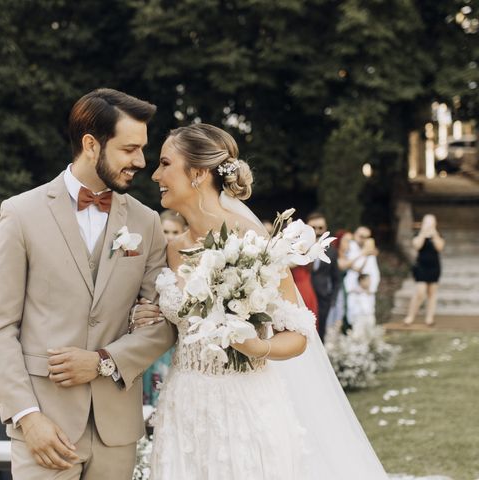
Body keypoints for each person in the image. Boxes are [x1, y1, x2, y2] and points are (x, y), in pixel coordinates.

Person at [138, 124, 388, 479]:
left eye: (165, 163)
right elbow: (184, 326)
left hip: (243, 405)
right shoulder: (172, 249)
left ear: (197, 173)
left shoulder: (251, 240)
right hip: (184, 404)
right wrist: (150, 316)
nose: (155, 174)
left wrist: (257, 346)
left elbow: (299, 333)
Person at [0, 88, 176, 480]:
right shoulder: (20, 214)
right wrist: (27, 417)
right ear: (91, 144)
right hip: (44, 428)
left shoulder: (146, 222)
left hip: (115, 431)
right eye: (129, 149)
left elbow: (163, 322)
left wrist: (104, 362)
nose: (141, 161)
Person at [142, 210, 185, 406]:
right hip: (149, 331)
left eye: (175, 232)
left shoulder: (186, 264)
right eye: (165, 231)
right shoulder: (148, 259)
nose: (170, 236)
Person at [403, 214, 445, 327]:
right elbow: (417, 246)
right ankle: (410, 316)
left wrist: (434, 234)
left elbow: (440, 247)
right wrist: (423, 233)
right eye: (427, 222)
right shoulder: (417, 234)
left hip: (434, 267)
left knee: (432, 293)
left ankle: (429, 318)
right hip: (421, 266)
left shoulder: (438, 235)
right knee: (420, 292)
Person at [307, 212, 340, 340]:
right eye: (313, 228)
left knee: (320, 333)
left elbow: (336, 278)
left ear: (325, 229)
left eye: (320, 228)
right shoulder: (299, 247)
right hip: (303, 295)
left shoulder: (331, 251)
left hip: (322, 298)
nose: (317, 231)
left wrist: (332, 298)